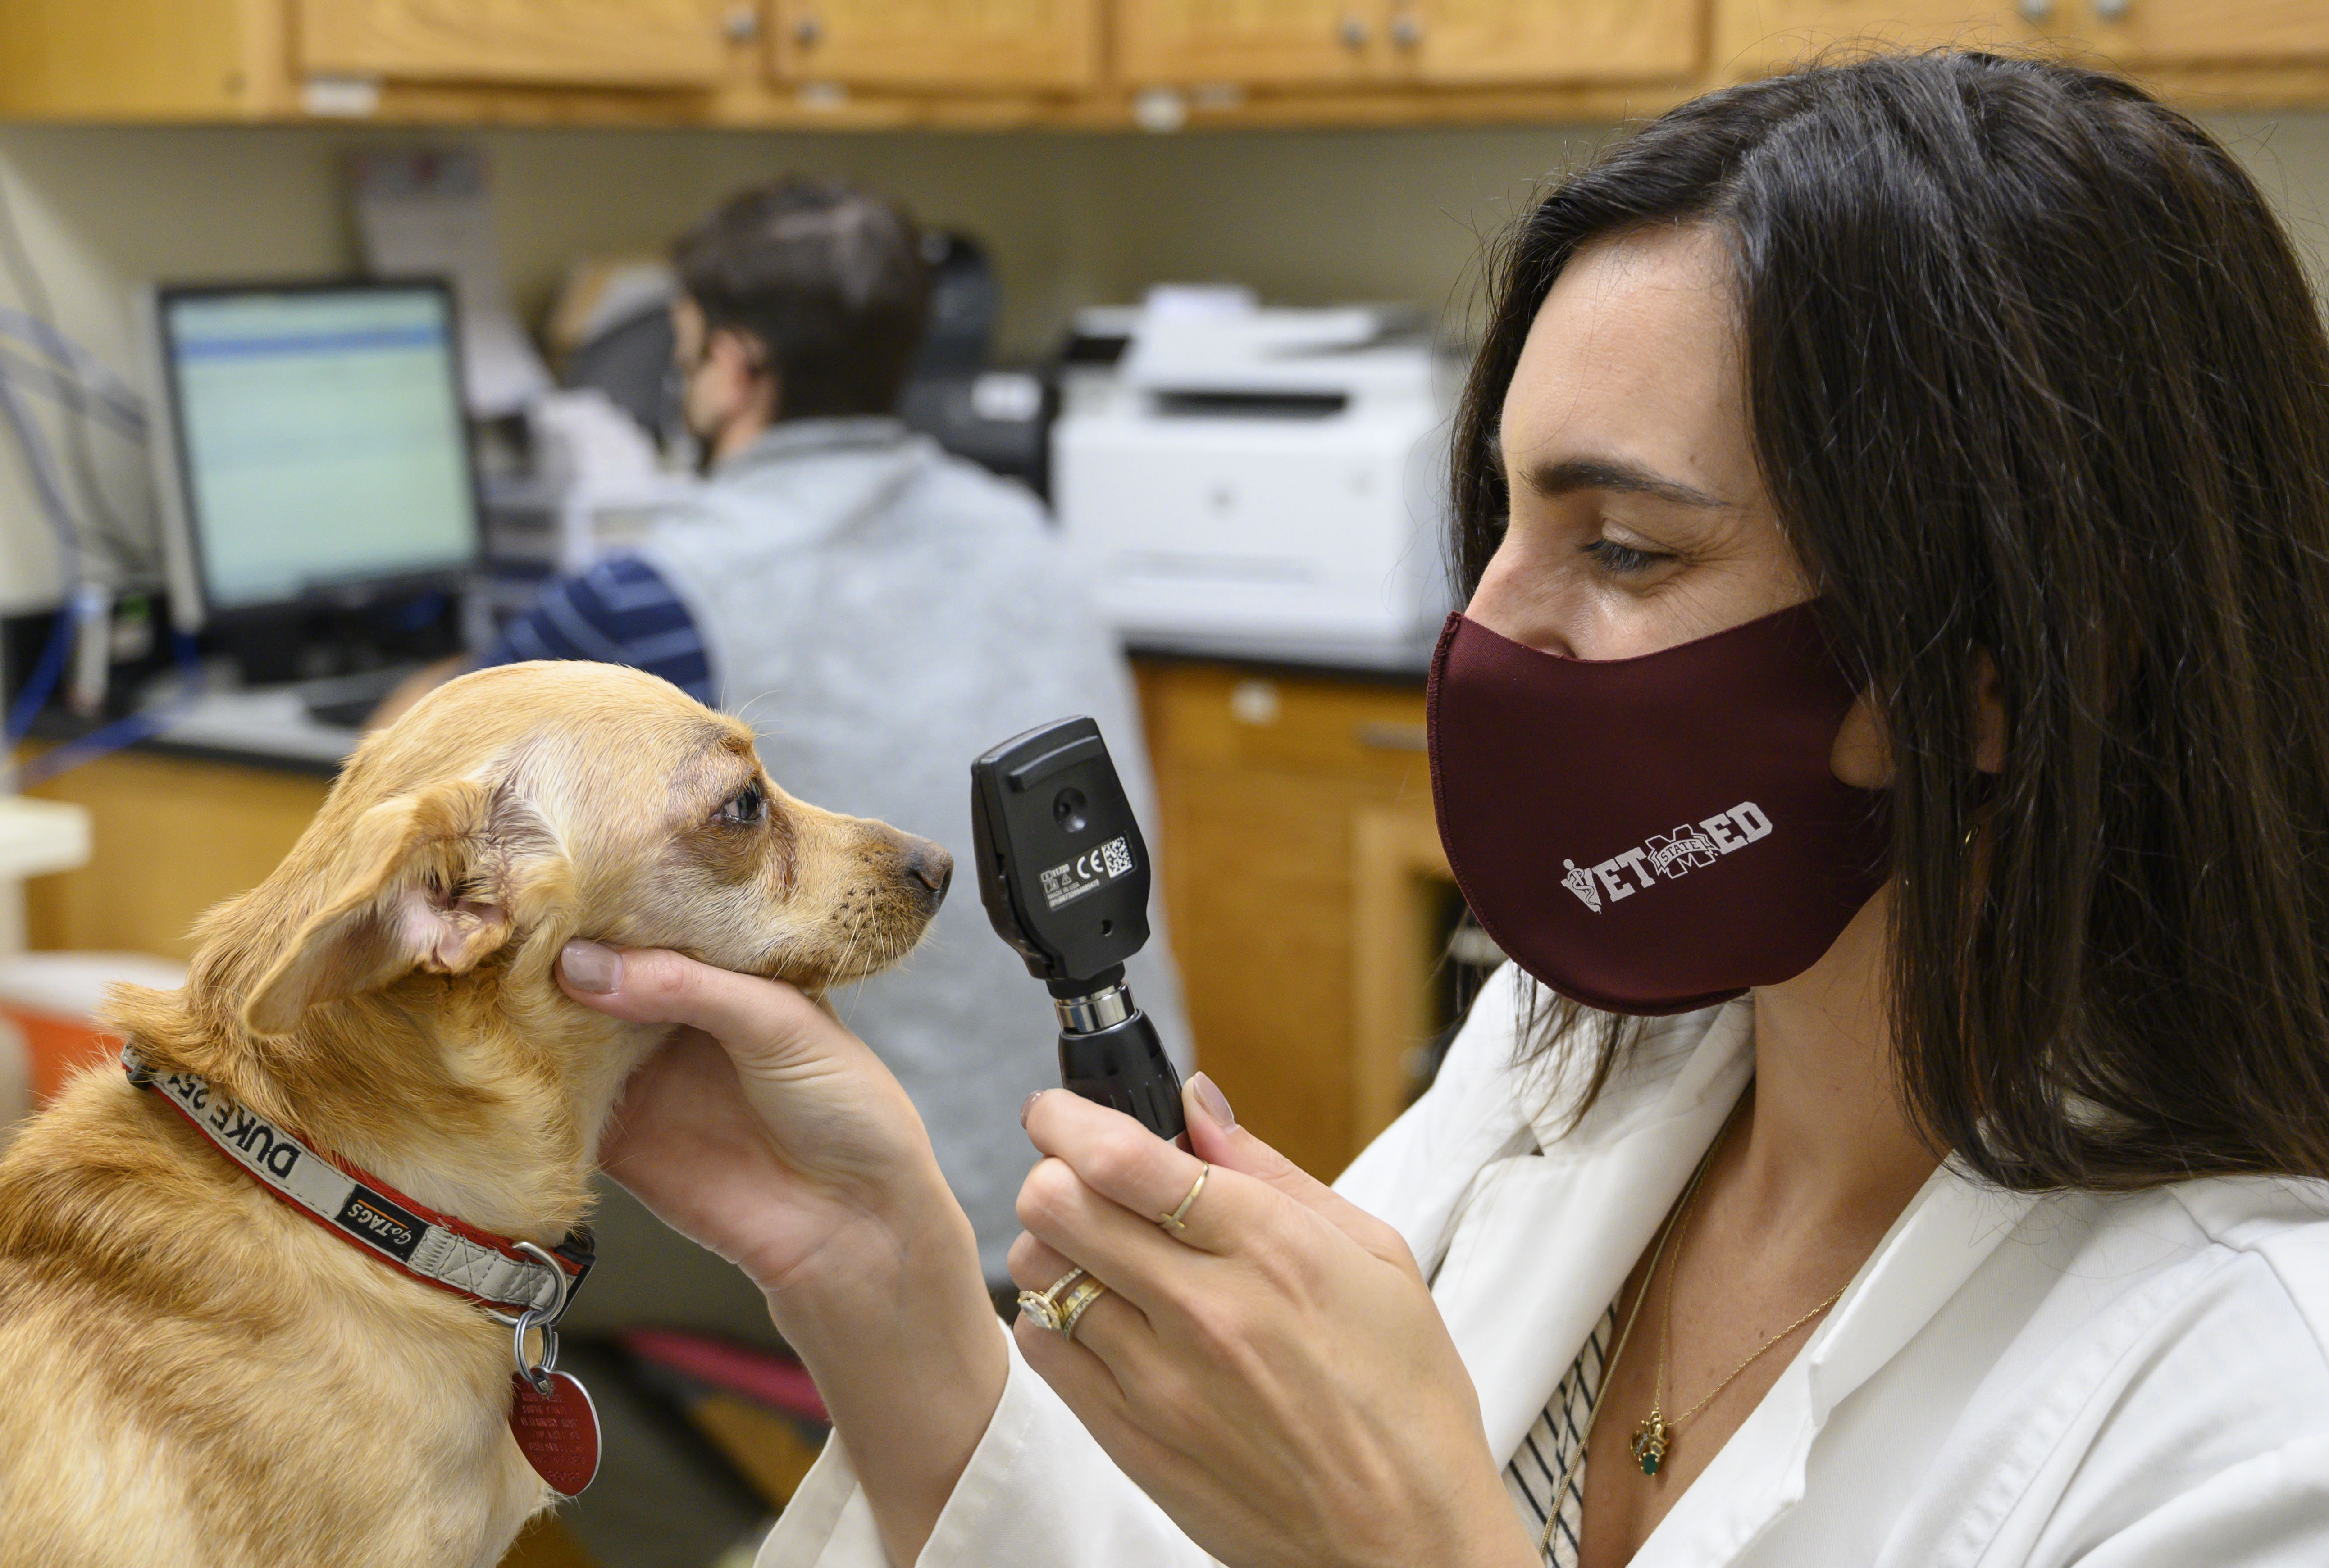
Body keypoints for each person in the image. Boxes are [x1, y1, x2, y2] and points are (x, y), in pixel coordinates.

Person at [559, 53, 2329, 1568]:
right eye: (1494, 526)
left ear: (2009, 668)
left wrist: (1415, 1540)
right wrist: (883, 1277)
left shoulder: (2260, 1400)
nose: (1488, 634)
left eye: (1624, 548)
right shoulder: (1575, 1059)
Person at [387, 177, 1186, 1286]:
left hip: (903, 1223)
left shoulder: (659, 594)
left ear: (734, 365)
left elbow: (416, 779)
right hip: (1115, 1178)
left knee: (441, 1235)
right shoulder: (1028, 530)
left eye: (685, 351)